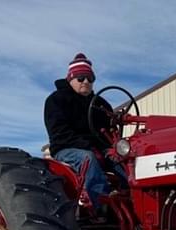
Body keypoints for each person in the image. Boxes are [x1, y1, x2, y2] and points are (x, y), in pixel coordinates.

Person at [44, 52, 123, 212]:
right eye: (81, 78)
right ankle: (101, 204)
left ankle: (131, 195)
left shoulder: (100, 104)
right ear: (71, 79)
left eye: (90, 79)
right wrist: (88, 146)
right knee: (88, 158)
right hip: (66, 147)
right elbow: (59, 132)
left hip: (98, 148)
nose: (86, 82)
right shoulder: (57, 100)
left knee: (122, 160)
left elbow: (109, 131)